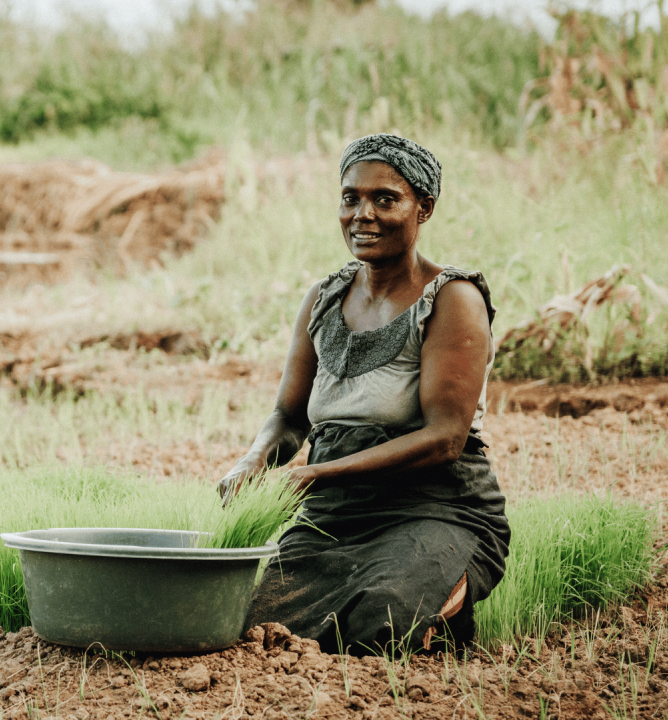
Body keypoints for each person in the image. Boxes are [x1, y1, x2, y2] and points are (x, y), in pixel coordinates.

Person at [217, 133, 510, 655]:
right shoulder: (324, 299)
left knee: (381, 620)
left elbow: (445, 438)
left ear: (425, 209)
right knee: (254, 629)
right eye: (350, 198)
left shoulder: (452, 299)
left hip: (434, 508)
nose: (362, 215)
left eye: (385, 199)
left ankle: (444, 615)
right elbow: (289, 416)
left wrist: (310, 475)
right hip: (333, 516)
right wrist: (253, 461)